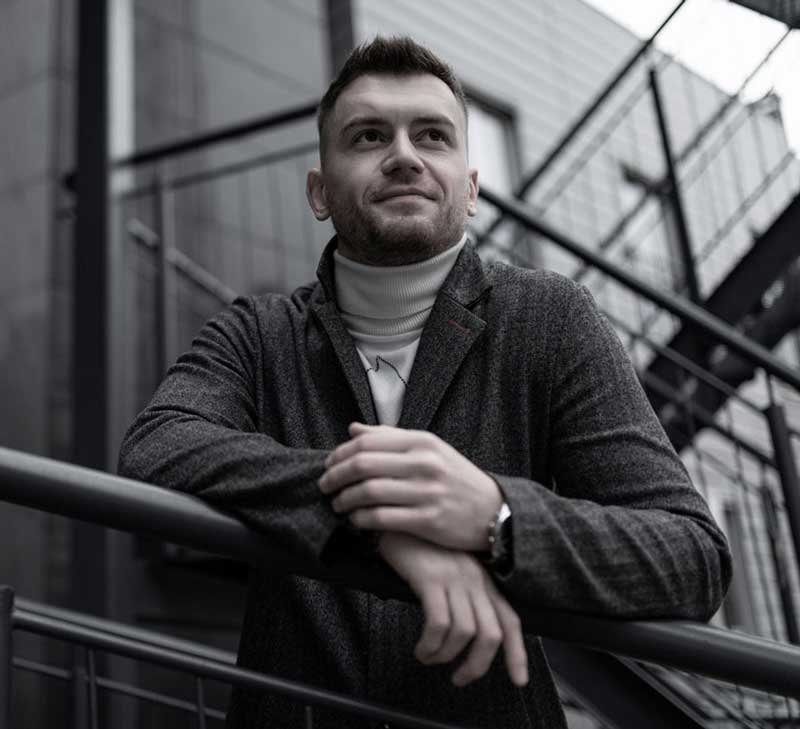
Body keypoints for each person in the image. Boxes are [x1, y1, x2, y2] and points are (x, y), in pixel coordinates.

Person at [118, 35, 731, 729]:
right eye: (369, 136)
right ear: (319, 191)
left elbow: (692, 557)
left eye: (433, 135)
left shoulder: (550, 316)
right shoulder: (258, 332)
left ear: (470, 189)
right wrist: (379, 518)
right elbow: (157, 447)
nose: (404, 155)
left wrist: (497, 517)